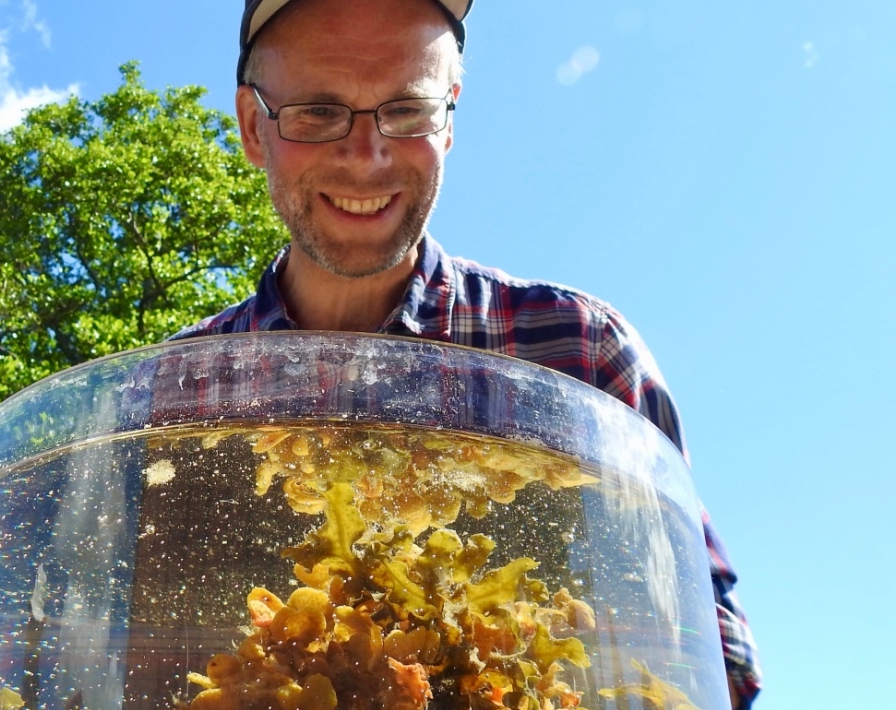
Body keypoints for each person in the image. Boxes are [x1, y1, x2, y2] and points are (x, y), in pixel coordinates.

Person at [170, 0, 762, 706]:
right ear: (251, 128)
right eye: (318, 112)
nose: (367, 156)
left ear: (449, 118)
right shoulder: (173, 395)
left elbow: (706, 647)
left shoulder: (580, 353)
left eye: (407, 109)